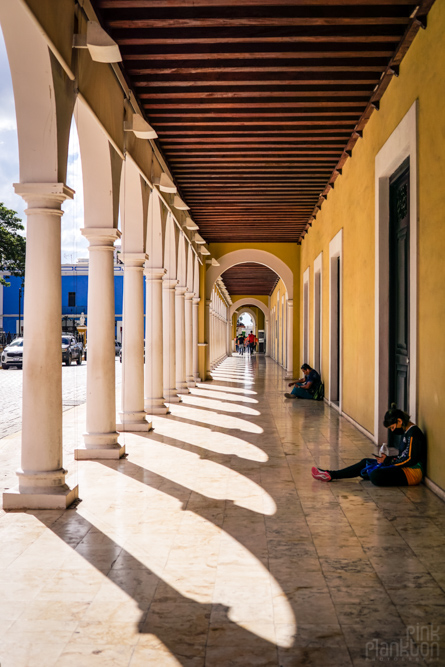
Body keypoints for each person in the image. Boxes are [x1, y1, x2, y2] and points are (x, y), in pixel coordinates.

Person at [311, 403, 426, 487]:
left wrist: (388, 462)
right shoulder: (407, 432)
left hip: (411, 473)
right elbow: (403, 456)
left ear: (400, 421)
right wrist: (387, 459)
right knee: (365, 462)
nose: (392, 431)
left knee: (376, 475)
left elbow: (410, 459)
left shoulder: (414, 433)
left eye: (392, 427)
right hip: (402, 467)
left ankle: (368, 472)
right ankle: (330, 474)